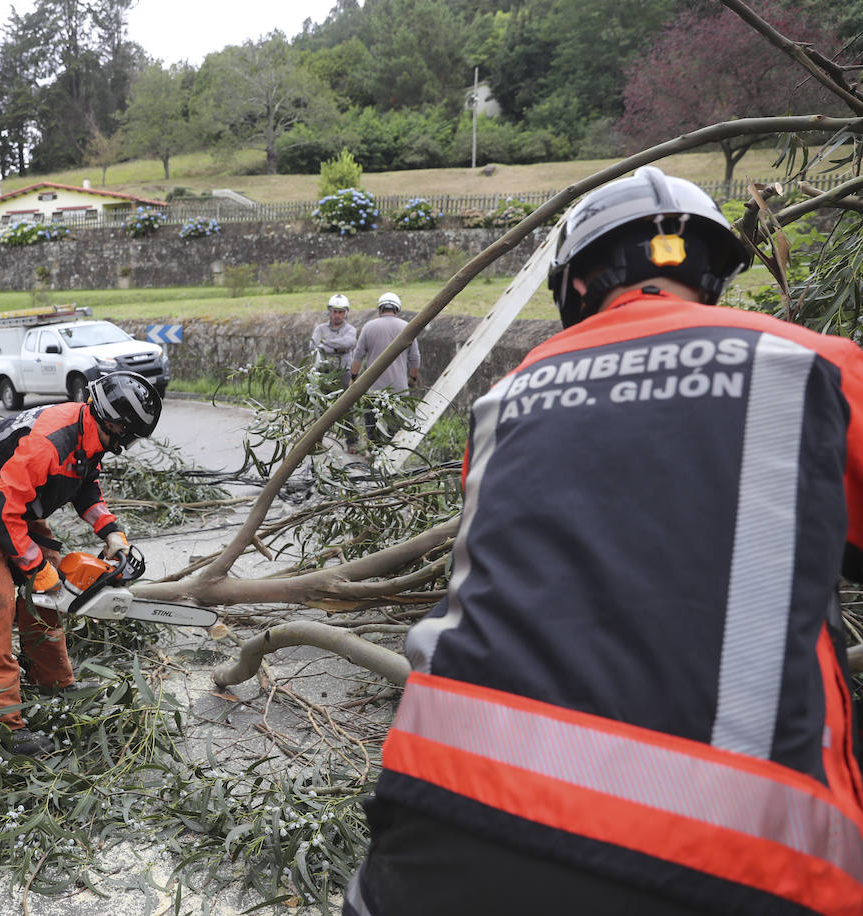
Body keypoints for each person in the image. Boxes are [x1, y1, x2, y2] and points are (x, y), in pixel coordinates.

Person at [345, 166, 863, 916]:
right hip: (735, 860)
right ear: (712, 278)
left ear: (574, 288)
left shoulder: (505, 399)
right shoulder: (811, 364)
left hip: (431, 820)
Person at [0, 371, 162, 757]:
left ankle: (52, 681)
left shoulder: (90, 432)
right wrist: (37, 569)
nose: (129, 443)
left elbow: (86, 485)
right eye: (130, 434)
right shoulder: (52, 442)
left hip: (14, 501)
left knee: (48, 594)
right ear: (116, 425)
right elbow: (1, 511)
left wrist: (111, 533)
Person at [350, 291, 421, 443]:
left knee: (373, 429)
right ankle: (391, 460)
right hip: (399, 390)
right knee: (394, 432)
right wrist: (412, 378)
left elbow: (358, 355)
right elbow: (415, 358)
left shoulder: (369, 327)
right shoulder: (407, 327)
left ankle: (373, 455)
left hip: (373, 391)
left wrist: (353, 378)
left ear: (380, 308)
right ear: (397, 309)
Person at [311, 294, 359, 448]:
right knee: (320, 406)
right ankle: (316, 440)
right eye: (334, 311)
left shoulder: (350, 329)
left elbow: (348, 343)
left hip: (343, 373)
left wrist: (325, 343)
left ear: (346, 313)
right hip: (323, 372)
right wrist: (337, 347)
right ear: (329, 312)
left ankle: (352, 442)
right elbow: (313, 346)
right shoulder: (320, 328)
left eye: (340, 312)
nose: (337, 315)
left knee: (346, 407)